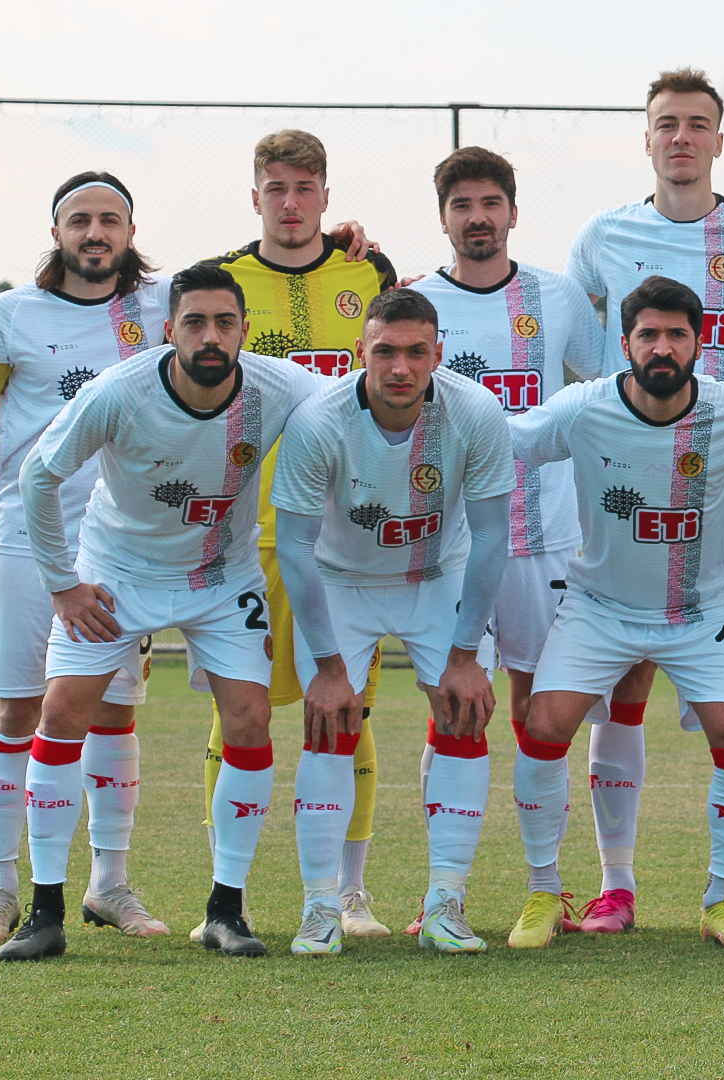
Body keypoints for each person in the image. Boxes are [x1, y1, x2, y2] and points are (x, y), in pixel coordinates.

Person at [0, 264, 323, 961]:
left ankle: (224, 911)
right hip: (117, 577)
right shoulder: (120, 392)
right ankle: (45, 910)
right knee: (60, 715)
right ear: (169, 329)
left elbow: (359, 402)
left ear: (243, 330)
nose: (211, 337)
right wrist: (63, 584)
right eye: (195, 323)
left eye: (225, 323)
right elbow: (39, 475)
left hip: (220, 576)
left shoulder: (280, 388)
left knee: (250, 717)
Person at [505, 276, 724, 950]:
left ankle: (718, 898)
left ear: (699, 344)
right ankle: (541, 891)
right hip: (599, 607)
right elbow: (510, 439)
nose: (663, 347)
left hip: (700, 612)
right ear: (625, 344)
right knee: (544, 724)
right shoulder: (583, 407)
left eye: (677, 334)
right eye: (649, 334)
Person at [564, 68, 724, 934]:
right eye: (667, 123)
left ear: (719, 139)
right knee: (621, 681)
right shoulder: (603, 234)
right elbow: (570, 327)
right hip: (625, 495)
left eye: (698, 124)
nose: (682, 138)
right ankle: (615, 884)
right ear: (648, 137)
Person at [0, 171, 165, 945]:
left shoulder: (160, 311)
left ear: (130, 233)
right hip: (29, 543)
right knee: (17, 710)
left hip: (124, 550)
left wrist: (347, 245)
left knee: (114, 711)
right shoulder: (9, 316)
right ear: (56, 231)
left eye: (110, 220)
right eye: (79, 220)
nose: (94, 232)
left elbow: (258, 277)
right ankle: (1, 889)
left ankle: (109, 884)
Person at [194, 130, 397, 940]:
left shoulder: (367, 272)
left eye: (304, 187)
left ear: (324, 193)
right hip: (249, 535)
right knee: (236, 712)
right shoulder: (223, 283)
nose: (290, 202)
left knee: (350, 716)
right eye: (274, 187)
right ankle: (226, 893)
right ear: (255, 196)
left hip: (347, 539)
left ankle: (350, 894)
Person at [270, 289, 515, 954]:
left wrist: (465, 653)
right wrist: (325, 666)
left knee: (464, 715)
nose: (400, 367)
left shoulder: (476, 411)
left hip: (438, 578)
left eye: (415, 352)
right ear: (361, 354)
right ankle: (321, 906)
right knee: (329, 723)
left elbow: (494, 536)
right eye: (385, 351)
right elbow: (291, 545)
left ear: (438, 354)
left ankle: (445, 904)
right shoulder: (318, 420)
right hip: (342, 583)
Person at [407, 147, 605, 932]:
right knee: (453, 709)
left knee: (538, 709)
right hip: (451, 544)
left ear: (513, 212)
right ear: (445, 216)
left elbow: (602, 401)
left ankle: (543, 885)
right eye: (463, 205)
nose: (478, 217)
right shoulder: (415, 303)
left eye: (491, 203)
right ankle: (444, 890)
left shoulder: (558, 299)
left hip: (545, 537)